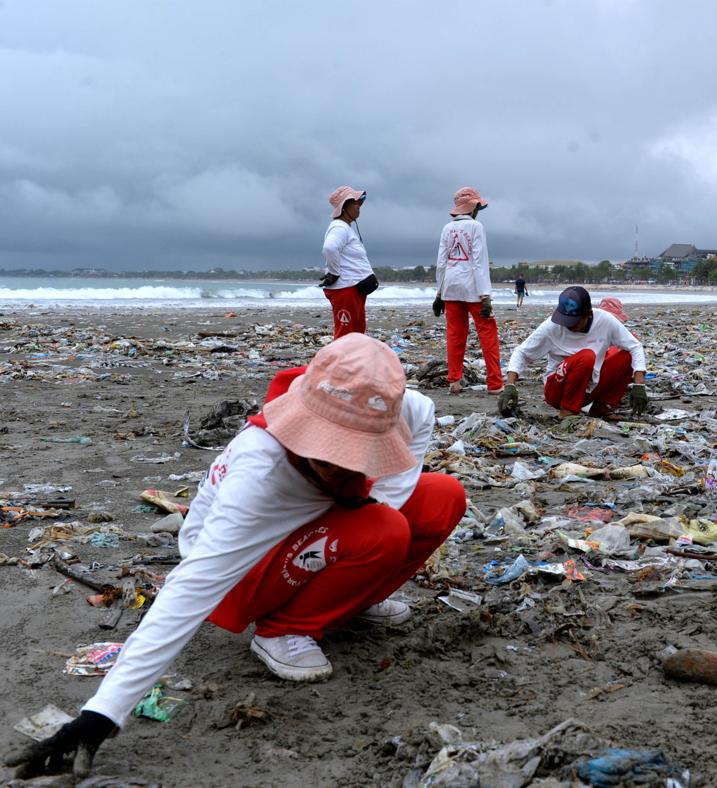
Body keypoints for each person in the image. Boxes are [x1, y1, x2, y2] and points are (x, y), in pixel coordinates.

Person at [6, 335, 466, 780]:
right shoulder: (260, 473)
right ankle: (282, 631)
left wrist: (367, 504)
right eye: (330, 455)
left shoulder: (404, 407)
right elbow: (192, 587)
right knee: (383, 529)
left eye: (358, 453)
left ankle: (346, 600)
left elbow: (414, 438)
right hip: (239, 577)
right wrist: (102, 713)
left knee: (440, 496)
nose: (344, 466)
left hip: (316, 537)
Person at [498, 286, 649, 419]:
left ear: (588, 314)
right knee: (587, 356)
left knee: (626, 355)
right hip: (558, 391)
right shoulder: (552, 326)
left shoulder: (605, 321)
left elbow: (635, 347)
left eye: (573, 321)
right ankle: (568, 411)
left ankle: (601, 407)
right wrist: (510, 385)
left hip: (589, 386)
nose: (567, 325)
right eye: (565, 319)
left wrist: (639, 385)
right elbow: (522, 352)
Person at [432, 187, 503, 394]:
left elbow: (441, 263)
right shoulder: (476, 227)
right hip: (472, 288)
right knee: (487, 333)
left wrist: (439, 293)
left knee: (455, 334)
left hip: (450, 286)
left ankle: (454, 381)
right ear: (473, 207)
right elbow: (479, 262)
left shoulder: (447, 228)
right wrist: (485, 295)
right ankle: (495, 383)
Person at [321, 186, 379, 339]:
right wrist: (334, 273)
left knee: (357, 333)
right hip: (345, 290)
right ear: (344, 206)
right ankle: (341, 357)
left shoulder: (346, 228)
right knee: (345, 336)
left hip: (354, 289)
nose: (359, 206)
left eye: (360, 202)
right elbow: (329, 247)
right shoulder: (339, 227)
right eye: (355, 202)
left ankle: (353, 356)